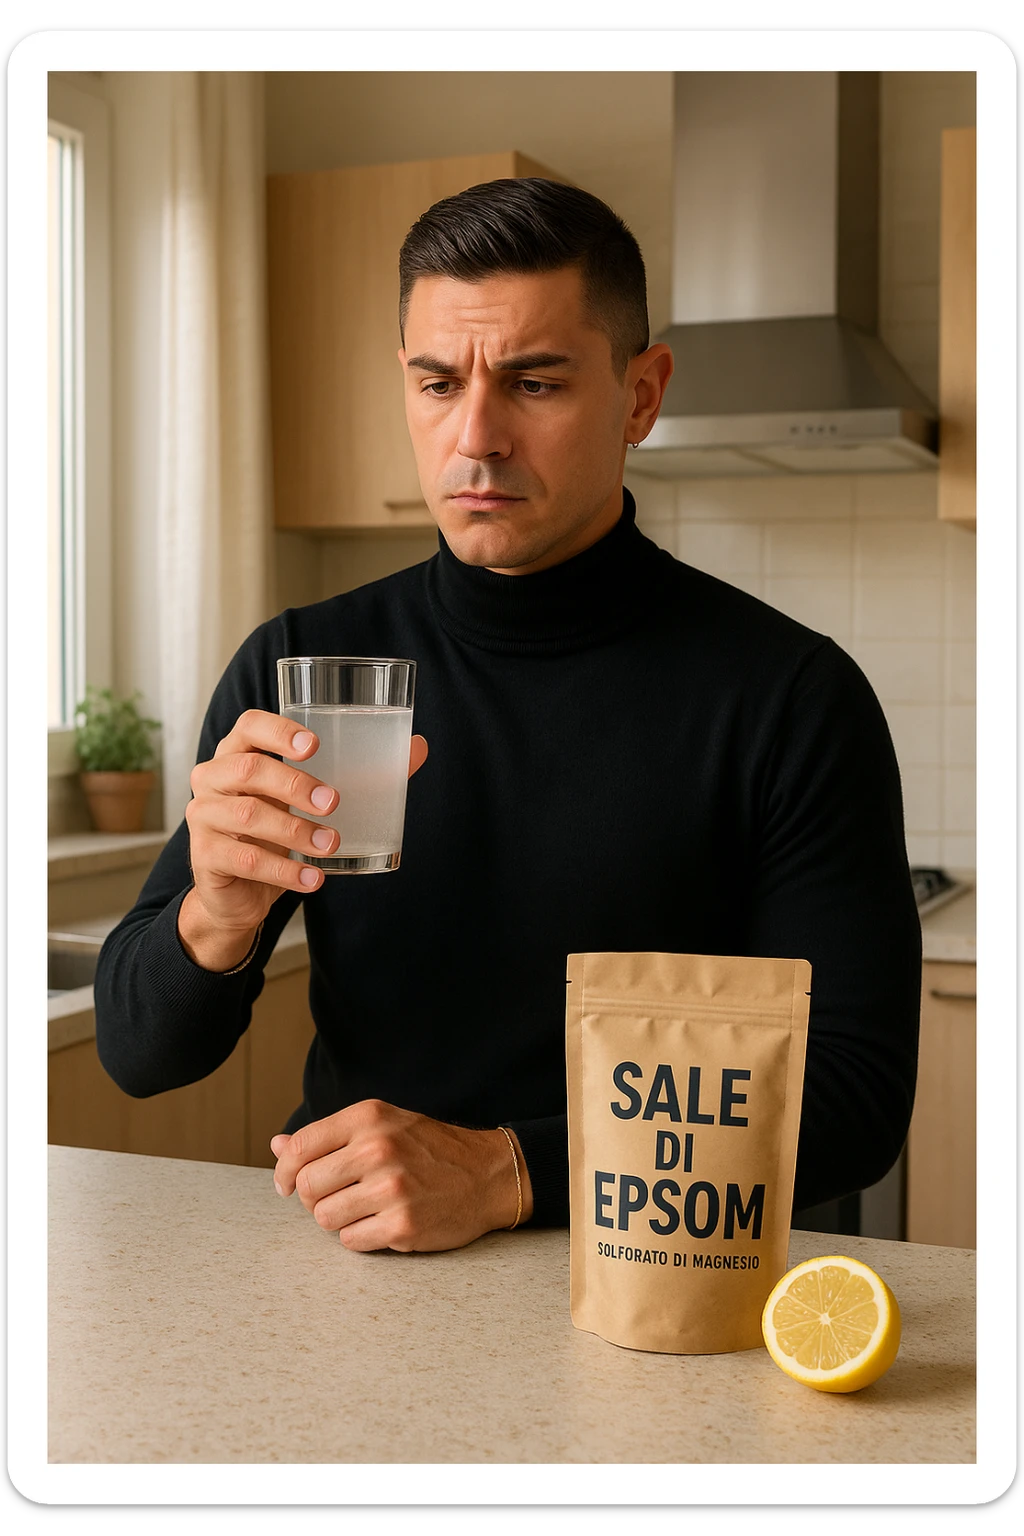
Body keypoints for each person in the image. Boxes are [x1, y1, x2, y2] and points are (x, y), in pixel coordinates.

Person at [94, 177, 922, 1254]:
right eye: (437, 382)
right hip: (358, 1281)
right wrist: (214, 918)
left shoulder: (789, 699)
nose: (474, 437)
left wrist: (505, 1170)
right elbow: (140, 1053)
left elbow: (856, 1099)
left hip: (656, 1284)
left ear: (640, 394)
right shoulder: (303, 666)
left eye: (533, 382)